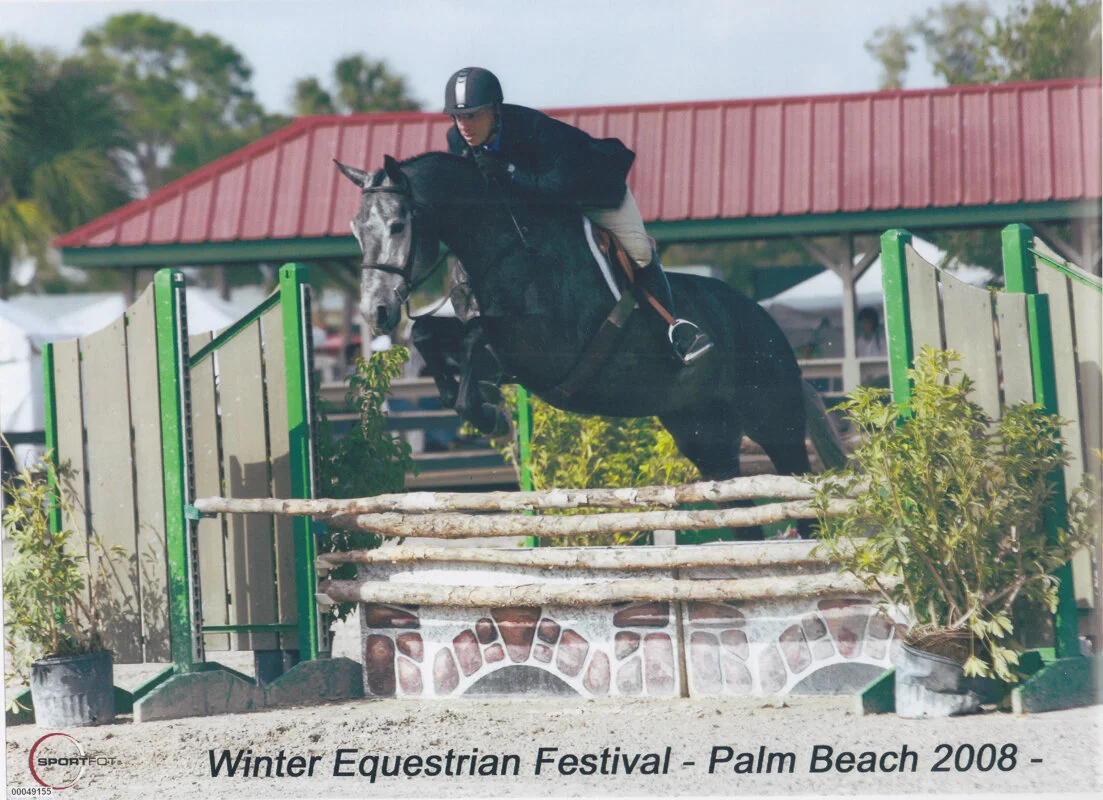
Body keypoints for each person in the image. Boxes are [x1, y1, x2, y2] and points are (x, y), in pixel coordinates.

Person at [442, 67, 712, 365]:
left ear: (495, 110)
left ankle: (674, 335)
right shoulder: (458, 140)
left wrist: (510, 172)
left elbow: (558, 187)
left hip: (590, 189)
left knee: (638, 251)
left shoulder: (536, 130)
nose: (464, 126)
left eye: (473, 115)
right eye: (457, 116)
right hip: (537, 203)